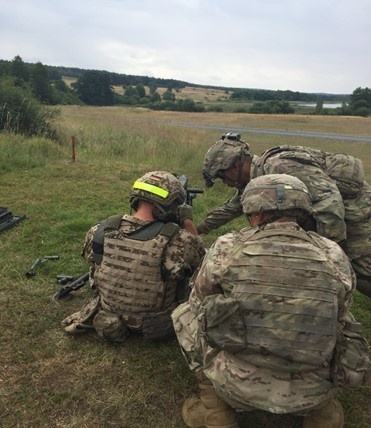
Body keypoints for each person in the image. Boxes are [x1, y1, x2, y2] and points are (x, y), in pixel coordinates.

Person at [172, 174, 369, 428]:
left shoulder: (226, 247)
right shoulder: (332, 253)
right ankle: (321, 415)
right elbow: (341, 312)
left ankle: (216, 411)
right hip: (313, 392)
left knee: (186, 315)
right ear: (300, 210)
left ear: (256, 212)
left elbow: (199, 303)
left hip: (234, 386)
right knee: (344, 322)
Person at [198, 132, 371, 298]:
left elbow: (329, 205)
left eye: (222, 176)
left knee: (362, 272)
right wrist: (200, 228)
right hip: (340, 217)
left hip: (358, 215)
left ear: (235, 166)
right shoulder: (258, 180)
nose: (225, 183)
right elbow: (231, 208)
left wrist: (327, 254)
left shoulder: (279, 166)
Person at [62, 171, 205, 342]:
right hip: (157, 324)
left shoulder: (100, 230)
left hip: (108, 312)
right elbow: (204, 264)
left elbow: (92, 262)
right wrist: (188, 222)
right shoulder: (180, 240)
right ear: (171, 205)